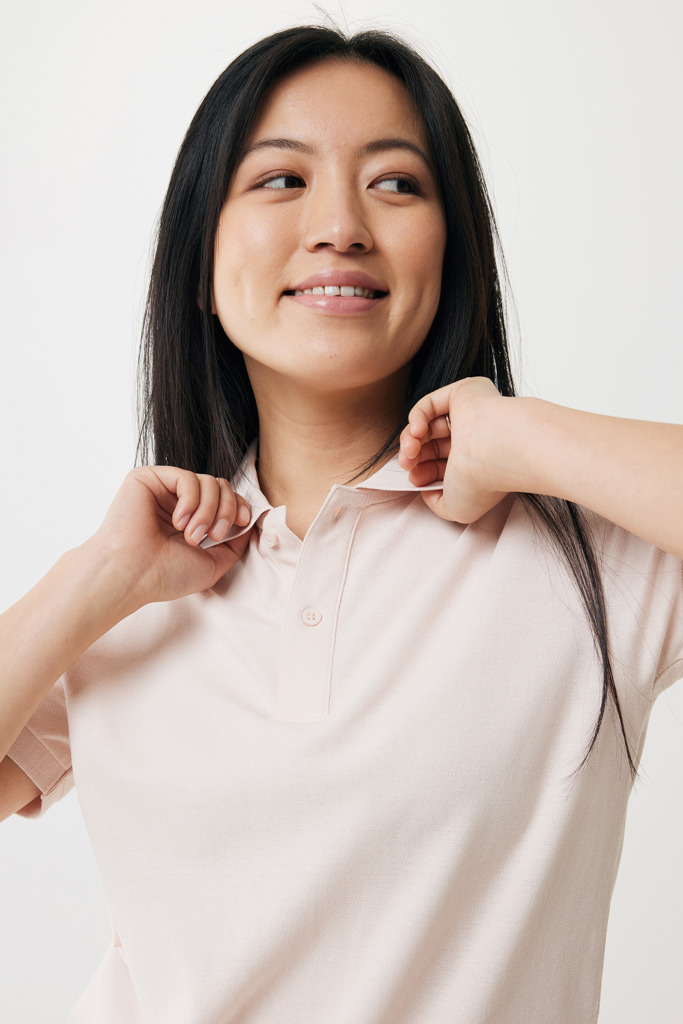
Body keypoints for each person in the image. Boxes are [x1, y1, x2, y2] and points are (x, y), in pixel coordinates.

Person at [1, 23, 681, 1024]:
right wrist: (97, 576)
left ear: (454, 254)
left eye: (395, 184)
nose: (339, 226)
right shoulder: (132, 589)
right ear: (200, 263)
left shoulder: (591, 555)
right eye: (280, 180)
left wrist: (524, 435)